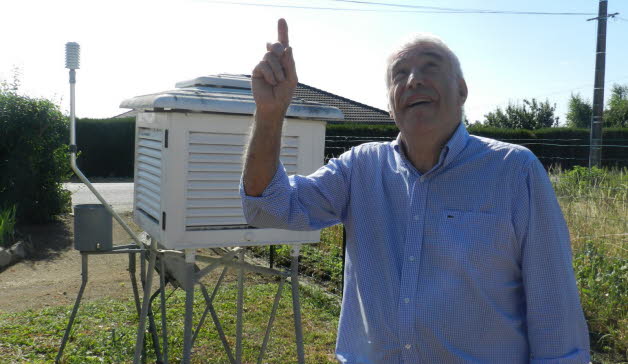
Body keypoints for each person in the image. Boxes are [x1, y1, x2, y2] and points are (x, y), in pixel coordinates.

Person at [240, 18, 590, 364]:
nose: (414, 80)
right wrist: (270, 113)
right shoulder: (360, 168)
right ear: (391, 105)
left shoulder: (514, 171)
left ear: (462, 91)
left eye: (430, 67)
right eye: (399, 74)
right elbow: (267, 208)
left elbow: (553, 304)